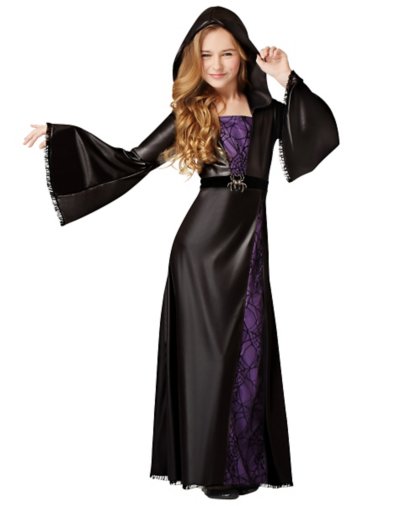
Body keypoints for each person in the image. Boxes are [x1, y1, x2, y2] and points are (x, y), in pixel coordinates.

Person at [23, 5, 339, 500]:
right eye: (206, 55)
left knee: (250, 346)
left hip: (249, 243)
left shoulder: (268, 113)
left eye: (226, 54)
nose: (216, 64)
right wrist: (63, 138)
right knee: (206, 360)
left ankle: (242, 464)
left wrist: (286, 76)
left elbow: (321, 133)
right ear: (194, 60)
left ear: (243, 56)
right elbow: (130, 160)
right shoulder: (192, 112)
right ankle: (210, 468)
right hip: (198, 253)